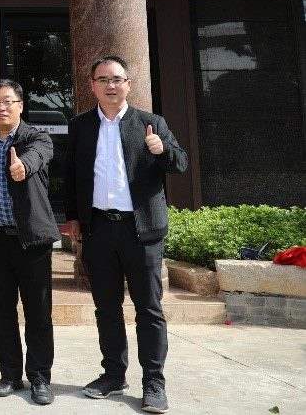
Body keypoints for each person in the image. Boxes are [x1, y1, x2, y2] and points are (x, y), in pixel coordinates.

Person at [64, 55, 188, 415]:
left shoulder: (151, 123)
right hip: (99, 229)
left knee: (149, 309)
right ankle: (113, 375)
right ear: (92, 86)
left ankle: (154, 382)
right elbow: (72, 175)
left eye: (117, 79)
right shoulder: (81, 126)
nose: (110, 85)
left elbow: (180, 163)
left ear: (128, 85)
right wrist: (73, 218)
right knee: (106, 308)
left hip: (141, 230)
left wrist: (162, 150)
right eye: (103, 79)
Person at [0, 79, 60, 406]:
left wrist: (24, 165)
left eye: (8, 101)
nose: (1, 107)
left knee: (38, 313)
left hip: (31, 241)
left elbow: (38, 156)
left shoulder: (37, 137)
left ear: (20, 105)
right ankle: (9, 374)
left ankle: (39, 377)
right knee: (1, 312)